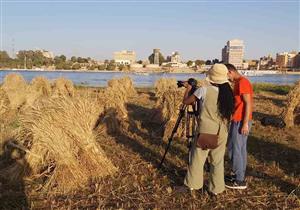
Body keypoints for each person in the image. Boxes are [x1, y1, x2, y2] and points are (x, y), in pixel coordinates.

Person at [183, 64, 234, 195]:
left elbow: (187, 102)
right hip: (222, 130)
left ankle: (192, 186)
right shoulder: (228, 92)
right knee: (217, 161)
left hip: (207, 131)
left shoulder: (204, 90)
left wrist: (188, 89)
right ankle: (216, 189)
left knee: (198, 158)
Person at [225, 63, 254, 190]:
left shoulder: (242, 82)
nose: (227, 78)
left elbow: (248, 103)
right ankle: (238, 174)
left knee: (235, 149)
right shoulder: (238, 83)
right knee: (237, 149)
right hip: (238, 120)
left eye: (226, 75)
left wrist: (245, 123)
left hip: (241, 121)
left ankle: (239, 180)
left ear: (230, 71)